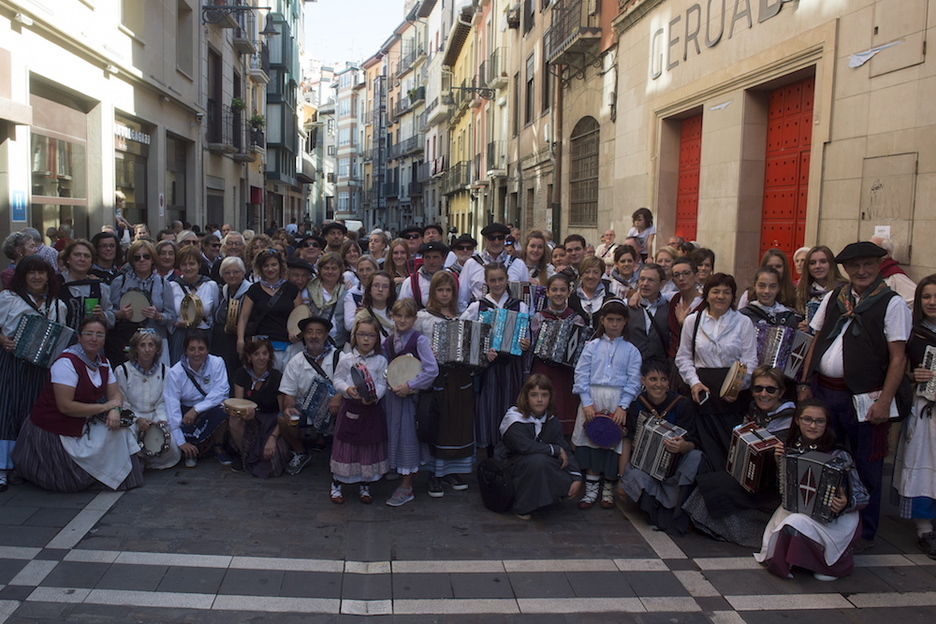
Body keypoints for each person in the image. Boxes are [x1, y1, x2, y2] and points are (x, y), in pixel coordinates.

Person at [800, 241, 911, 551]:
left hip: (865, 400)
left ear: (879, 267)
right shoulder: (836, 297)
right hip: (825, 393)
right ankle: (823, 516)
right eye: (855, 266)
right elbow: (816, 338)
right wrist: (806, 384)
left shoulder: (892, 303)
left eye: (869, 265)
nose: (862, 271)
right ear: (845, 270)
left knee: (866, 466)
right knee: (823, 457)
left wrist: (884, 402)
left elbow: (898, 358)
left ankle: (865, 531)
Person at [12, 318, 143, 492]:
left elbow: (115, 394)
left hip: (82, 422)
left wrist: (116, 409)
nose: (93, 339)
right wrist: (106, 407)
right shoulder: (66, 363)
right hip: (55, 428)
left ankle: (114, 475)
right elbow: (65, 406)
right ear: (79, 337)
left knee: (120, 430)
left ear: (104, 339)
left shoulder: (103, 362)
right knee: (68, 482)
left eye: (99, 335)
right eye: (88, 334)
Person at [755, 399, 869, 581]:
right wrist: (779, 464)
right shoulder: (789, 447)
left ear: (827, 424)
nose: (813, 425)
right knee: (792, 518)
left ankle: (823, 564)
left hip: (834, 518)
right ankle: (797, 561)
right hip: (800, 510)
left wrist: (846, 502)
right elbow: (785, 490)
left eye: (819, 421)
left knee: (796, 521)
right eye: (807, 419)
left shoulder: (839, 454)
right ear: (798, 421)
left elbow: (863, 495)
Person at [675, 273, 758, 470]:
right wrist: (694, 382)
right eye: (716, 291)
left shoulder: (743, 322)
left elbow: (750, 359)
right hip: (702, 396)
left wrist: (737, 387)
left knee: (729, 451)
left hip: (733, 399)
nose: (721, 296)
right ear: (707, 294)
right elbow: (684, 357)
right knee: (706, 450)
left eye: (726, 292)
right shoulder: (692, 321)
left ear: (733, 296)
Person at [0, 256, 68, 491]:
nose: (37, 277)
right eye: (32, 272)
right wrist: (2, 341)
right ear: (23, 275)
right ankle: (3, 467)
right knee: (8, 409)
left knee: (33, 410)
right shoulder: (8, 298)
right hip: (13, 362)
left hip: (41, 366)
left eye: (42, 272)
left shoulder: (57, 305)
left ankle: (27, 464)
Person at [572, 298, 642, 510]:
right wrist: (586, 403)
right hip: (593, 399)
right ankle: (591, 489)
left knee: (613, 444)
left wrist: (624, 406)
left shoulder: (631, 351)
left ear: (625, 322)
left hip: (617, 401)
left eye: (618, 320)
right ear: (602, 320)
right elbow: (581, 374)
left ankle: (608, 488)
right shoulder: (592, 347)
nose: (613, 324)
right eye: (610, 319)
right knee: (592, 441)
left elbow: (634, 380)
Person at [619, 358, 702, 533]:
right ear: (643, 381)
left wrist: (682, 446)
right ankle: (657, 509)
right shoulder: (637, 405)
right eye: (653, 379)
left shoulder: (681, 404)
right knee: (632, 476)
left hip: (675, 468)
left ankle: (676, 507)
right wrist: (621, 477)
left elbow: (693, 441)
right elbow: (628, 441)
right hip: (645, 468)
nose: (658, 385)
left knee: (696, 457)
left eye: (663, 379)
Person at [415, 271, 476, 498]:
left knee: (457, 425)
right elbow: (413, 345)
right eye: (440, 290)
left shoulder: (462, 317)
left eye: (448, 290)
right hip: (436, 378)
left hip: (459, 378)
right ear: (433, 292)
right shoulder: (423, 318)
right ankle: (434, 474)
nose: (444, 294)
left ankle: (452, 472)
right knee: (437, 424)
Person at [493, 374, 584, 519]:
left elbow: (564, 447)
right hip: (512, 465)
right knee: (538, 462)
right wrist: (554, 450)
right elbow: (525, 447)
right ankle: (522, 506)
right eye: (534, 395)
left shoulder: (551, 421)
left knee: (561, 474)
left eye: (544, 395)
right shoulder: (515, 419)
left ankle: (544, 496)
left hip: (538, 462)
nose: (540, 400)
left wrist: (576, 477)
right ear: (526, 397)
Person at [462, 263, 531, 453]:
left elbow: (527, 337)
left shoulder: (520, 306)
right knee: (488, 409)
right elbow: (466, 336)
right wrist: (482, 352)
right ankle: (490, 455)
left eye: (501, 279)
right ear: (486, 281)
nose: (497, 283)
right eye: (493, 280)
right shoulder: (478, 306)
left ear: (507, 280)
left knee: (510, 406)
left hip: (512, 367)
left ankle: (511, 451)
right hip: (488, 368)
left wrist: (526, 344)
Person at [382, 299, 439, 506]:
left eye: (407, 316)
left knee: (408, 436)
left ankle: (406, 485)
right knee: (393, 433)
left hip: (410, 399)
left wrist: (410, 385)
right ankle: (396, 469)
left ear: (414, 319)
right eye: (399, 316)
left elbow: (432, 369)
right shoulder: (388, 342)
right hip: (392, 399)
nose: (403, 320)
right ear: (392, 317)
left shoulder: (419, 340)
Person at [895, 275, 936, 558]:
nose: (932, 302)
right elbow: (898, 369)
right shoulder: (913, 334)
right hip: (925, 408)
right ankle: (925, 528)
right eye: (926, 297)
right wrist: (913, 376)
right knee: (923, 462)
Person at [329, 317, 389, 505]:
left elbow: (382, 382)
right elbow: (337, 380)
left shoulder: (380, 361)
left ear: (376, 338)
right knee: (347, 446)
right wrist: (347, 390)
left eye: (371, 335)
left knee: (367, 446)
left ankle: (365, 485)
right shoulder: (346, 359)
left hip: (370, 411)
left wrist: (374, 396)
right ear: (355, 336)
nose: (366, 339)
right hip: (351, 409)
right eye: (362, 334)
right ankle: (337, 484)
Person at [280, 316, 342, 467]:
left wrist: (339, 396)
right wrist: (289, 408)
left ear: (326, 335)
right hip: (306, 410)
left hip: (334, 410)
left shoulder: (340, 357)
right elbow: (288, 393)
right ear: (304, 335)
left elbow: (352, 384)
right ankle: (300, 452)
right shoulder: (296, 361)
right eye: (309, 332)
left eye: (319, 332)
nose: (314, 336)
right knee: (283, 419)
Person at [164, 329, 231, 468]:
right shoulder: (175, 372)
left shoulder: (217, 363)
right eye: (192, 349)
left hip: (206, 408)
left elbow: (222, 391)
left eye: (201, 349)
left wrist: (196, 409)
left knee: (224, 407)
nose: (196, 353)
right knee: (178, 427)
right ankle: (191, 451)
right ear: (185, 351)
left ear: (207, 350)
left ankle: (218, 446)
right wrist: (181, 441)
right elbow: (172, 404)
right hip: (186, 412)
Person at [114, 328, 179, 470]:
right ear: (136, 348)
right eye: (142, 345)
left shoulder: (165, 372)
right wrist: (137, 419)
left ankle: (150, 462)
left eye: (151, 345)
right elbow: (122, 401)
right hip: (132, 418)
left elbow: (163, 401)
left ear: (157, 349)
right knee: (125, 439)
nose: (147, 350)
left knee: (171, 444)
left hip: (154, 418)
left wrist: (160, 421)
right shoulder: (123, 371)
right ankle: (137, 462)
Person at [529, 273, 586, 435]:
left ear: (569, 293)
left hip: (566, 373)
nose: (558, 293)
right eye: (554, 290)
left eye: (562, 290)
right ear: (547, 292)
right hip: (544, 369)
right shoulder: (540, 317)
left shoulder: (576, 319)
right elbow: (533, 346)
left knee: (565, 405)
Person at [107, 239, 175, 367]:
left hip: (156, 342)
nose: (142, 260)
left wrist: (158, 316)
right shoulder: (119, 282)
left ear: (153, 259)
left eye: (146, 256)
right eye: (137, 257)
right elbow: (110, 313)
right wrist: (120, 314)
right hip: (127, 341)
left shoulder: (162, 284)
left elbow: (171, 317)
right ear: (131, 261)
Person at [229, 337, 289, 478]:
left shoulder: (276, 377)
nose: (261, 358)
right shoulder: (241, 374)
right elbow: (238, 404)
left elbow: (282, 413)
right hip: (251, 420)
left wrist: (273, 438)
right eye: (256, 354)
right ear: (249, 357)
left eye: (265, 353)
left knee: (271, 461)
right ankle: (244, 455)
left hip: (271, 423)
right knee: (234, 420)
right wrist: (245, 414)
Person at [237, 249, 303, 370]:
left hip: (288, 346)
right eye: (266, 265)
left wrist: (297, 333)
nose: (270, 269)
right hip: (262, 348)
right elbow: (243, 317)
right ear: (260, 268)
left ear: (280, 266)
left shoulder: (291, 289)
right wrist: (240, 340)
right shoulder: (254, 290)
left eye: (273, 264)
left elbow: (300, 315)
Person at [458, 223, 530, 310]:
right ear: (485, 239)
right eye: (492, 238)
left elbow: (527, 301)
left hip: (511, 319)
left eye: (500, 237)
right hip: (480, 317)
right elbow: (461, 298)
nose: (496, 241)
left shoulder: (518, 264)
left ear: (504, 239)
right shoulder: (471, 264)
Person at [169, 246, 220, 364]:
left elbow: (214, 312)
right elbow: (169, 314)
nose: (188, 268)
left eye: (192, 264)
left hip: (204, 335)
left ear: (199, 265)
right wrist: (176, 323)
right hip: (181, 336)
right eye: (184, 264)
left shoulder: (210, 285)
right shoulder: (172, 286)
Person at [57, 239, 114, 333]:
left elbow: (111, 318)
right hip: (61, 343)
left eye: (87, 256)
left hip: (92, 344)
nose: (82, 259)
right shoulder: (56, 283)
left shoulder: (100, 287)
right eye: (77, 255)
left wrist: (103, 316)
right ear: (68, 259)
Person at [795, 245, 846, 329]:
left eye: (823, 261)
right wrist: (802, 326)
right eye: (812, 263)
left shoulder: (844, 289)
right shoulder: (801, 292)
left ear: (831, 264)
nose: (817, 266)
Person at [628, 263, 670, 364]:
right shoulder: (627, 306)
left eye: (651, 280)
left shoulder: (669, 307)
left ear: (662, 284)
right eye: (642, 279)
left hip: (660, 369)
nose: (645, 283)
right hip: (631, 367)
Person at [306, 252, 348, 349]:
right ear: (320, 270)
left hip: (340, 344)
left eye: (334, 268)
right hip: (316, 345)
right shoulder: (310, 290)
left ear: (340, 270)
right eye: (326, 268)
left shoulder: (347, 290)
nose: (330, 272)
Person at [667, 257, 704, 359]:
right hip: (674, 359)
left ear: (696, 276)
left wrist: (684, 323)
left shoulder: (705, 303)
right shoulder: (674, 299)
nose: (681, 278)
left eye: (686, 273)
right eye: (677, 275)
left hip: (696, 360)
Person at [398, 241, 452, 310]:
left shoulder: (452, 279)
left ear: (443, 259)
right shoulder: (411, 282)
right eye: (427, 257)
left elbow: (459, 305)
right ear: (422, 259)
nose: (431, 262)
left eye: (435, 257)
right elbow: (403, 309)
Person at [869, 236, 916, 308]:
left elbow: (915, 299)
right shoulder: (868, 271)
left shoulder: (895, 275)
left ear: (886, 253)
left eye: (874, 248)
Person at [569, 256, 610, 329]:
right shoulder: (572, 299)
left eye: (595, 272)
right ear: (581, 274)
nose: (590, 276)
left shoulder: (609, 299)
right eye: (587, 272)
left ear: (601, 275)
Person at [342, 255, 379, 333]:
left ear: (376, 270)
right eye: (361, 270)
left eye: (368, 269)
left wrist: (365, 313)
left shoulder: (385, 291)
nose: (365, 273)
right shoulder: (352, 294)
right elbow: (349, 325)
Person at [355, 271, 396, 339]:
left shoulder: (397, 315)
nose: (380, 289)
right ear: (370, 290)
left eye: (385, 286)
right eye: (376, 285)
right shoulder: (362, 316)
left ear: (390, 292)